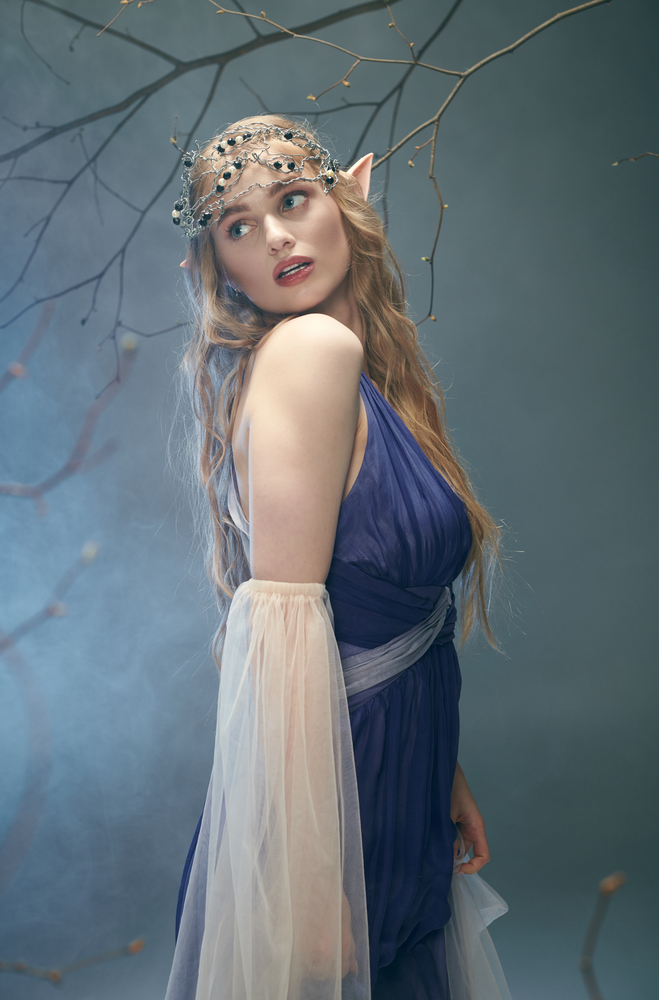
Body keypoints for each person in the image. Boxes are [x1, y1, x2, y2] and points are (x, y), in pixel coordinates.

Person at [165, 114, 511, 1000]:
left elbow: (369, 617)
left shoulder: (363, 372)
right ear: (216, 267)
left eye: (291, 200)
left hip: (393, 768)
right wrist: (309, 881)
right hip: (334, 792)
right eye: (238, 226)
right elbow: (281, 627)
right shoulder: (312, 351)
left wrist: (443, 772)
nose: (276, 237)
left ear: (348, 197)